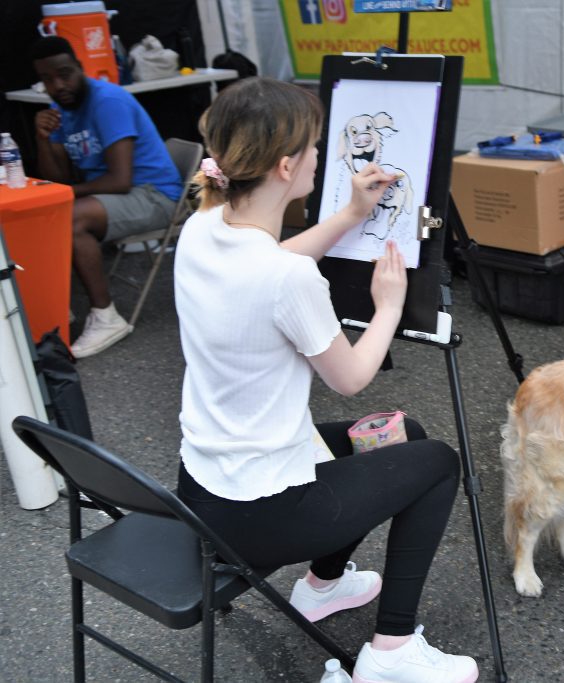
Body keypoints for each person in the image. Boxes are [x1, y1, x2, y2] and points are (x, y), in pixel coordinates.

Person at [173, 77, 478, 683]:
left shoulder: (203, 224)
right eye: (315, 147)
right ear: (287, 166)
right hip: (262, 514)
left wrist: (350, 215)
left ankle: (323, 584)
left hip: (203, 487)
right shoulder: (288, 283)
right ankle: (391, 653)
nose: (323, 156)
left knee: (400, 433)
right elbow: (352, 379)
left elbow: (278, 259)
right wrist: (389, 304)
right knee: (439, 460)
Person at [30, 36, 182, 358]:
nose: (58, 85)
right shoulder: (60, 109)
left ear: (80, 68)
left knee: (70, 216)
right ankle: (55, 307)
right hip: (118, 194)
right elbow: (55, 180)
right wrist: (43, 139)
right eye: (47, 80)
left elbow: (119, 180)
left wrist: (64, 194)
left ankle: (106, 316)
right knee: (44, 213)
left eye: (64, 73)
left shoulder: (107, 101)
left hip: (155, 196)